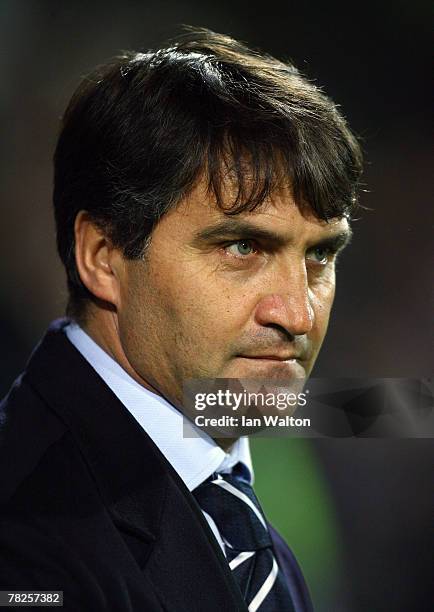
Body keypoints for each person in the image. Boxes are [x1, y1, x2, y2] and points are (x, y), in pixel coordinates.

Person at [0, 28, 362, 611]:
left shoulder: (233, 505)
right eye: (242, 247)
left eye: (320, 254)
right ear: (103, 258)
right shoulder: (27, 539)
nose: (298, 313)